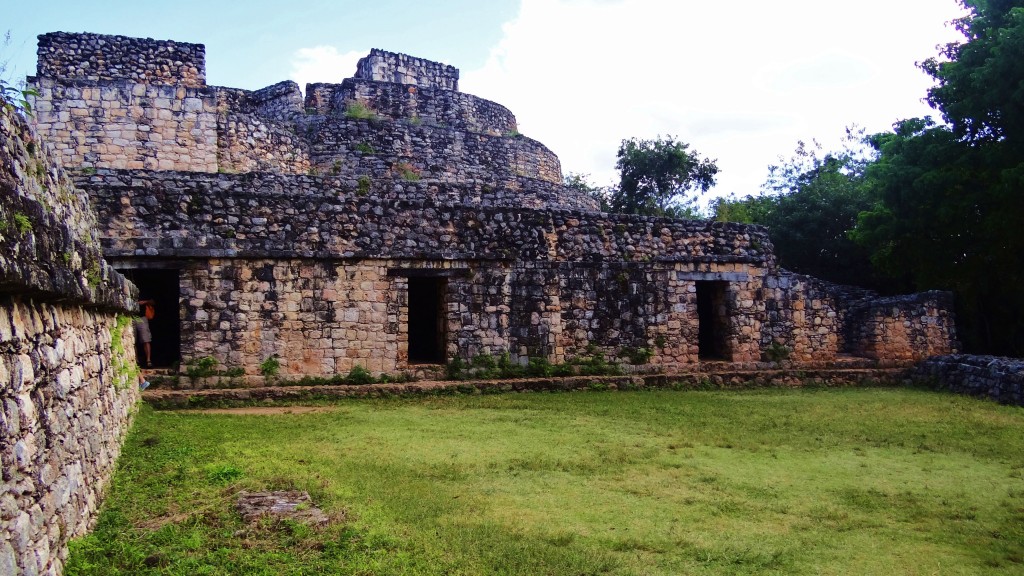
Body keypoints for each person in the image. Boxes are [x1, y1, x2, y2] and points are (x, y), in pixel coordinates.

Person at [134, 298, 155, 367]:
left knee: (146, 339)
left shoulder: (145, 292)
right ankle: (136, 361)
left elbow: (153, 302)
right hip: (131, 317)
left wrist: (145, 301)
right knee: (133, 341)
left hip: (141, 318)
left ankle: (148, 361)